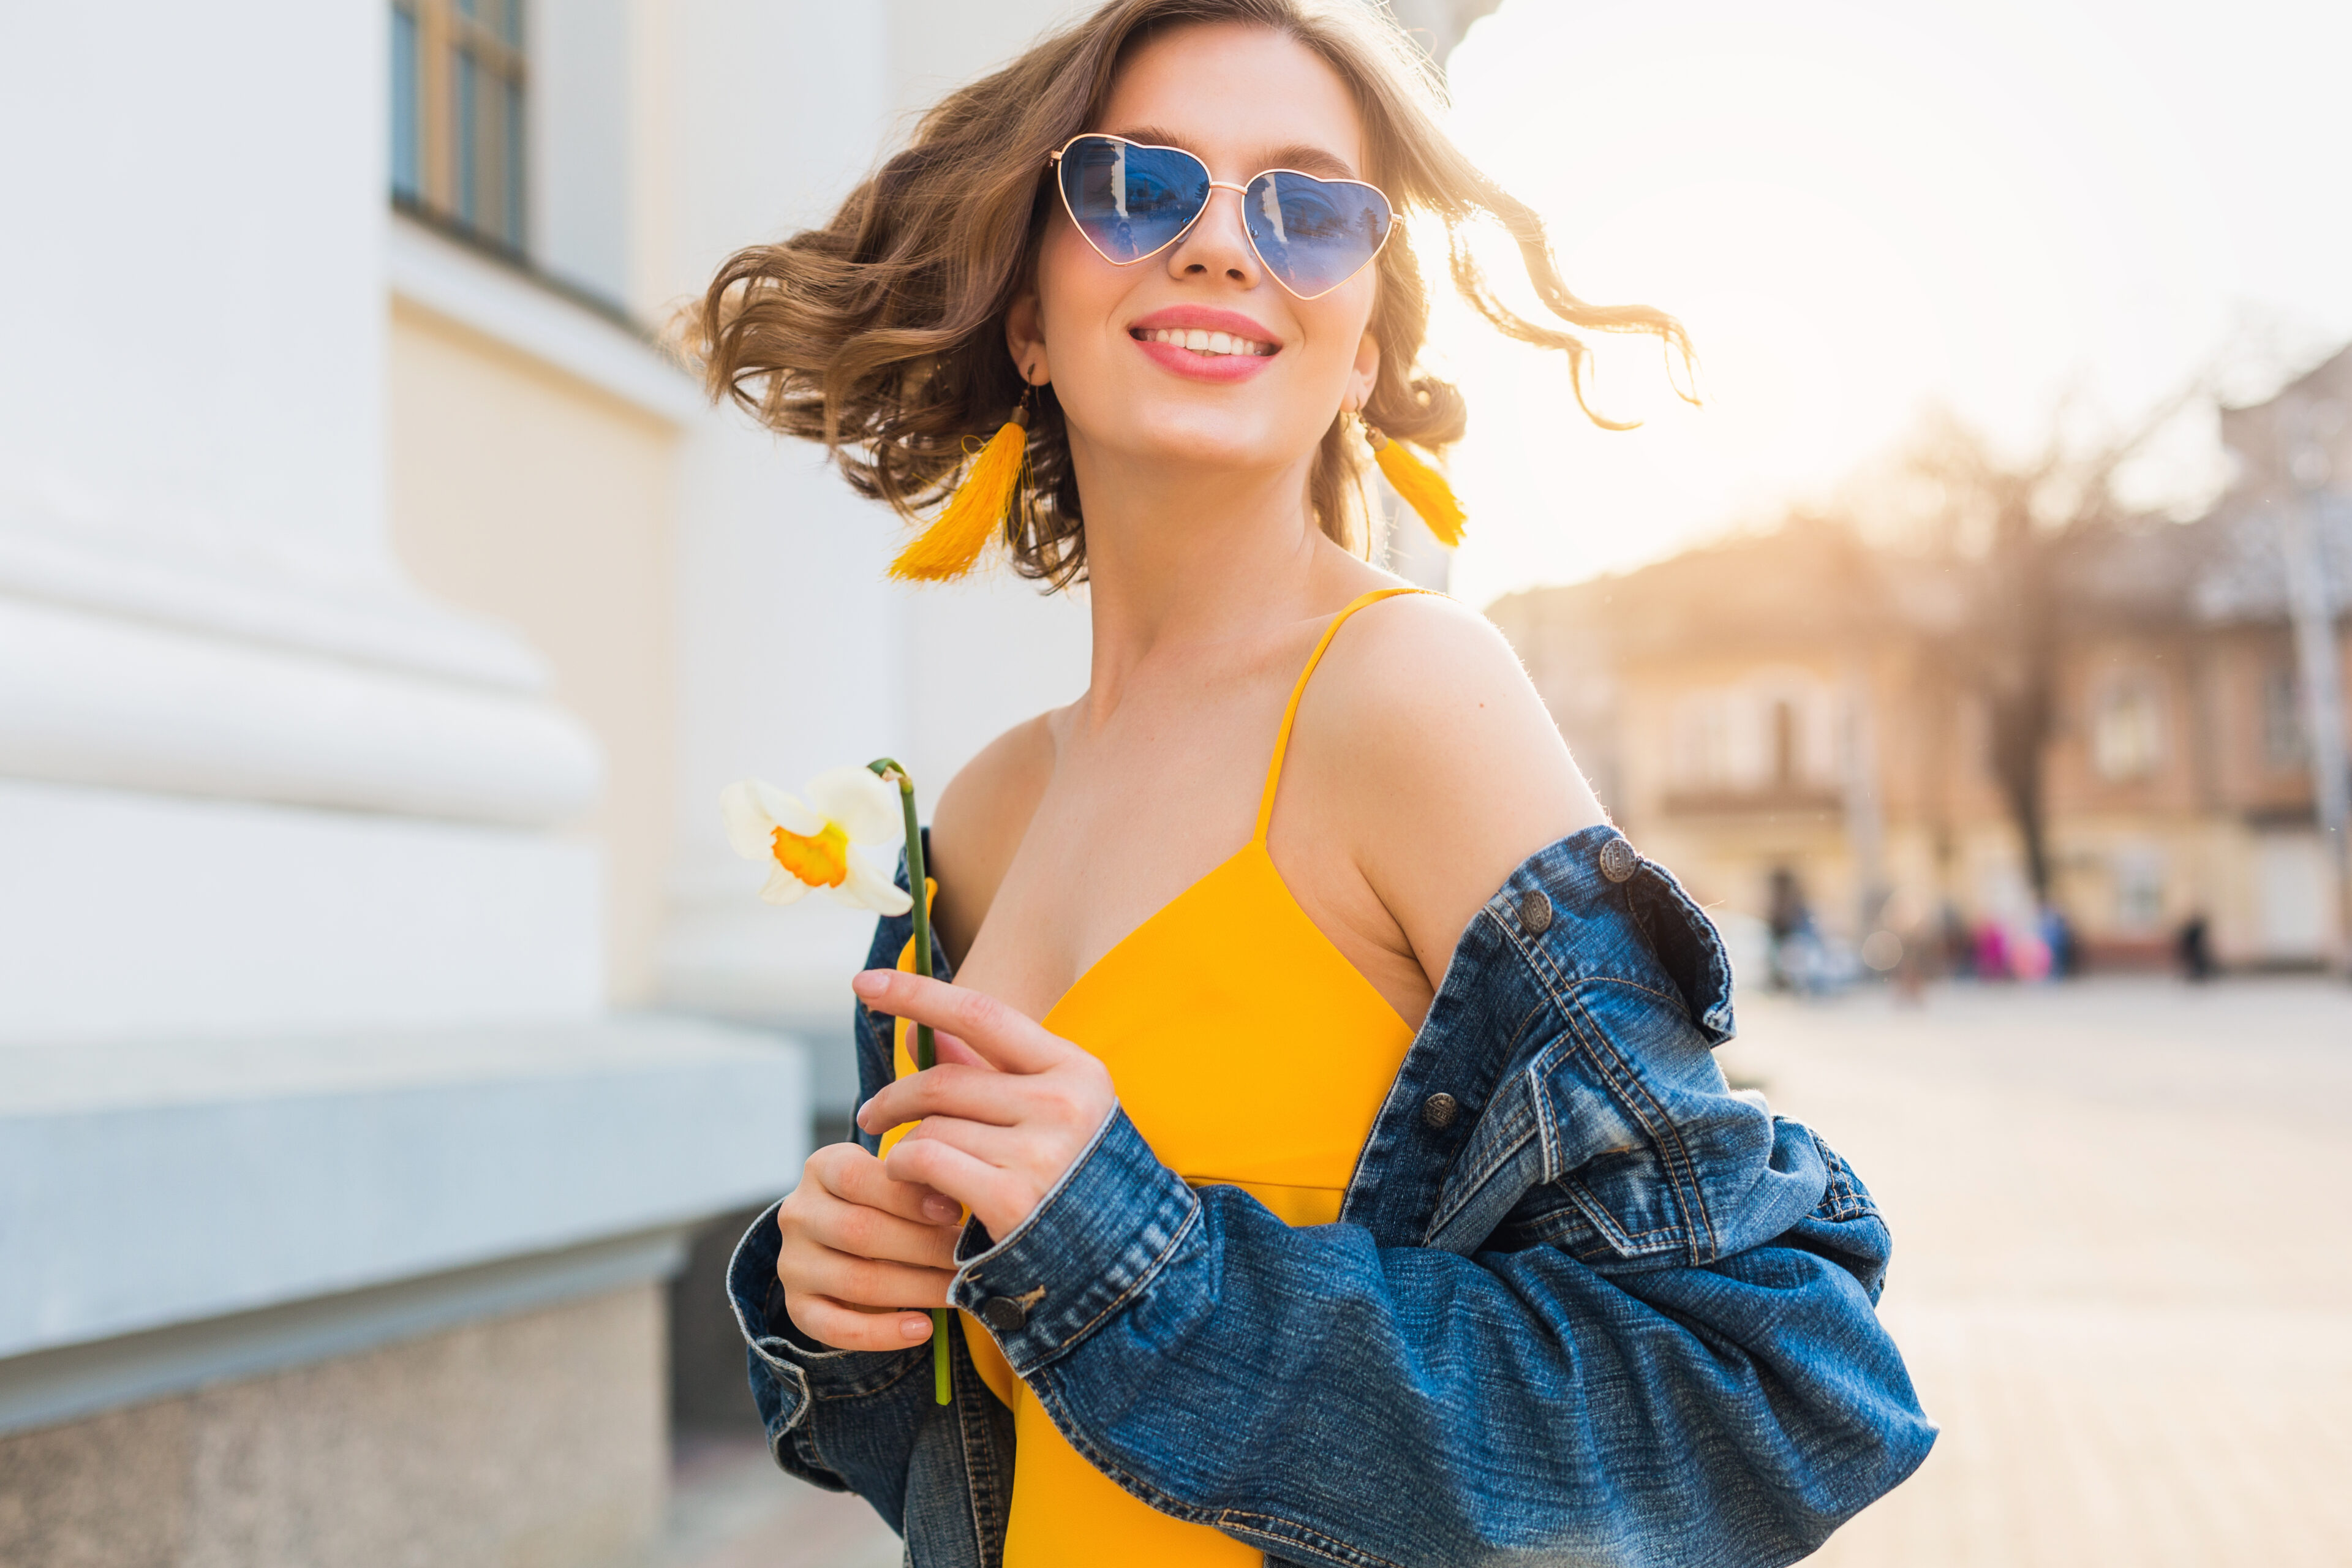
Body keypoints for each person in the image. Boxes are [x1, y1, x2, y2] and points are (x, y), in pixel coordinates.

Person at [699, 4, 1932, 1563]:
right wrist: (852, 1309)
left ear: (1361, 343)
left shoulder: (1407, 694)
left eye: (1309, 204)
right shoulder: (981, 815)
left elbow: (1765, 1378)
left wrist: (1133, 1262)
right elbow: (1018, 1453)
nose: (1222, 244)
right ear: (1029, 314)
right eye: (1139, 185)